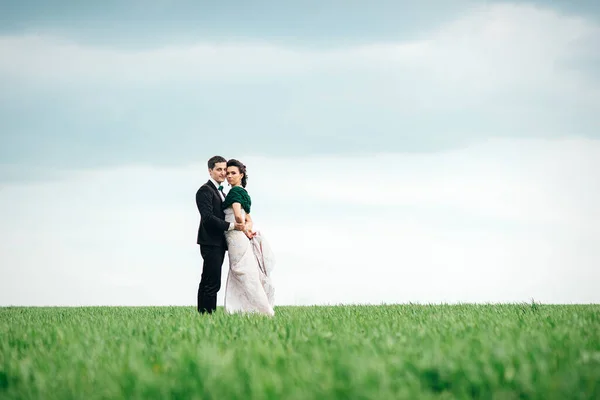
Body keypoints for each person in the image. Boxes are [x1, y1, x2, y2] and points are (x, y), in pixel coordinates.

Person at [222, 159, 275, 316]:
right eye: (228, 173)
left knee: (240, 270)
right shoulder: (244, 192)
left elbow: (239, 216)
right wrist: (247, 229)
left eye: (233, 173)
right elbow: (249, 219)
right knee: (244, 270)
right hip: (240, 235)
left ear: (241, 175)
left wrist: (243, 229)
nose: (229, 176)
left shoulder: (235, 192)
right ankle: (247, 308)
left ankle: (256, 308)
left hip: (235, 235)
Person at [195, 155, 245, 314]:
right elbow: (208, 218)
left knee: (210, 281)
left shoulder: (221, 192)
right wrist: (232, 226)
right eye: (219, 169)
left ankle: (204, 315)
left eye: (225, 169)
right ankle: (206, 316)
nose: (223, 173)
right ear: (210, 171)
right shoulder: (204, 191)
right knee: (211, 282)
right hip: (210, 242)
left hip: (218, 242)